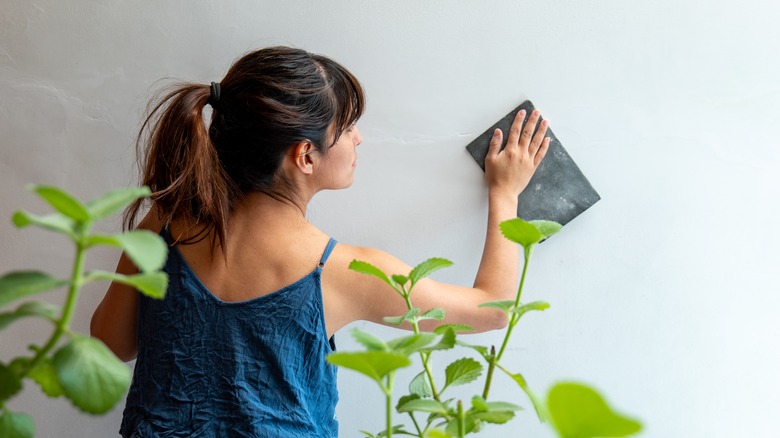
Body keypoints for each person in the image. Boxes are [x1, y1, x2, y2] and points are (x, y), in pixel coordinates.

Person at [90, 46, 550, 437]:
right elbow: (492, 311)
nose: (358, 138)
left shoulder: (165, 221)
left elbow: (110, 343)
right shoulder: (341, 272)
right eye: (348, 127)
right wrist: (504, 193)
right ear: (305, 155)